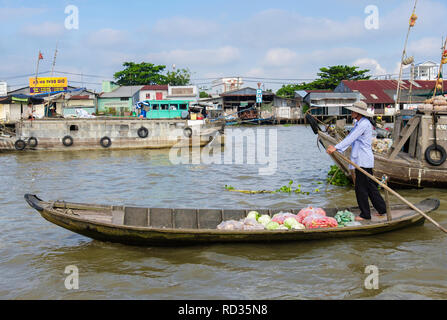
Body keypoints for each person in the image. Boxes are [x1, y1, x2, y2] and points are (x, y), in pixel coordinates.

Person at [326, 101, 387, 221]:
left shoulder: (364, 124)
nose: (351, 113)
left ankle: (365, 214)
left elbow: (351, 138)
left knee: (361, 188)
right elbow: (350, 137)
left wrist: (336, 147)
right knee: (370, 186)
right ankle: (382, 209)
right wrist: (338, 147)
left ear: (358, 113)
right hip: (362, 159)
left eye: (353, 111)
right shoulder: (358, 123)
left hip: (363, 160)